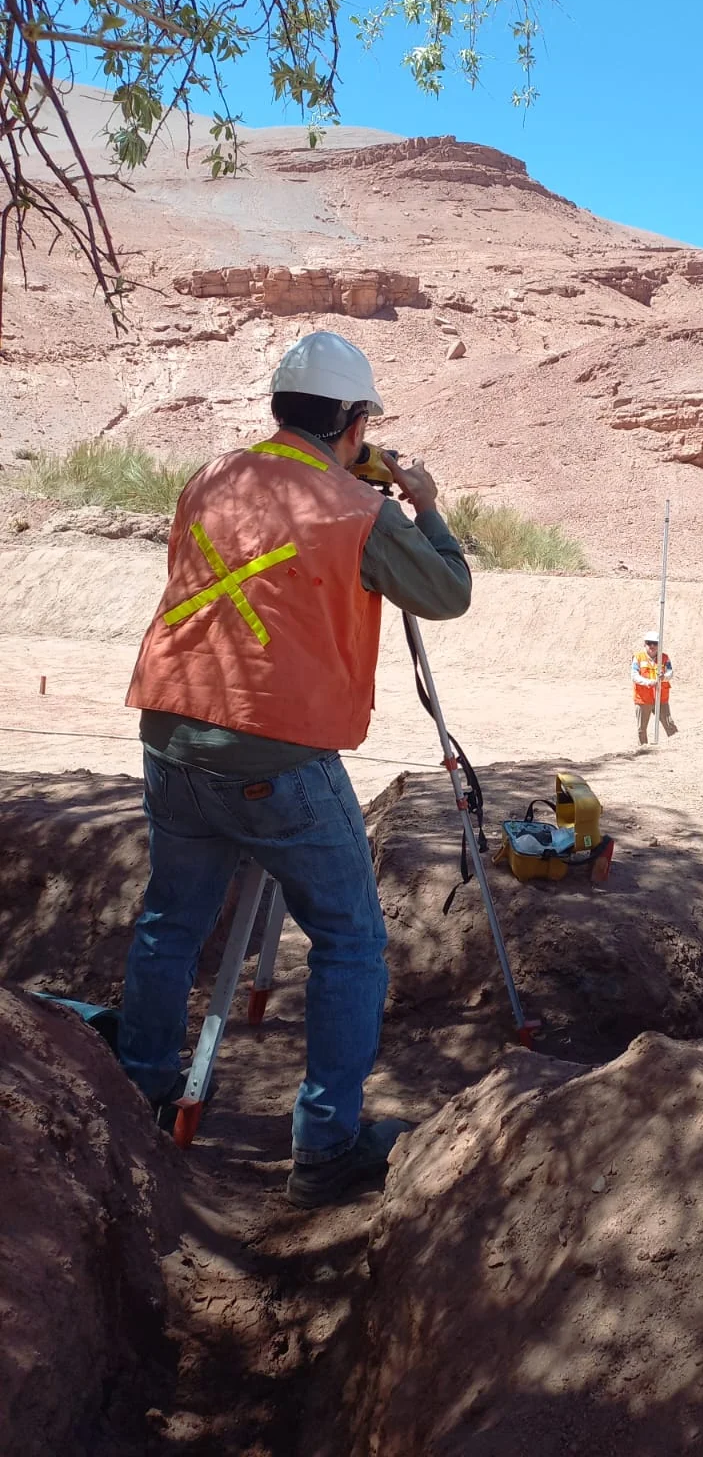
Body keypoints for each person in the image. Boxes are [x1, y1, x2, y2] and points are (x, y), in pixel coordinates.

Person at [118, 331, 472, 1209]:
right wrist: (424, 507)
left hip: (171, 731)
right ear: (354, 423)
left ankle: (139, 1086)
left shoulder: (211, 476)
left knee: (172, 918)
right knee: (350, 942)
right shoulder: (360, 509)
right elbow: (448, 593)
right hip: (278, 753)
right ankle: (326, 1148)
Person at [632, 630, 678, 745]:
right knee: (641, 729)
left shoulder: (664, 658)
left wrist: (664, 677)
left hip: (661, 698)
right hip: (643, 699)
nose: (652, 646)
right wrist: (647, 682)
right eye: (649, 643)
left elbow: (670, 672)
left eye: (655, 643)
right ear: (645, 644)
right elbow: (634, 675)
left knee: (669, 724)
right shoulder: (638, 657)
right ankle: (643, 750)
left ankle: (677, 745)